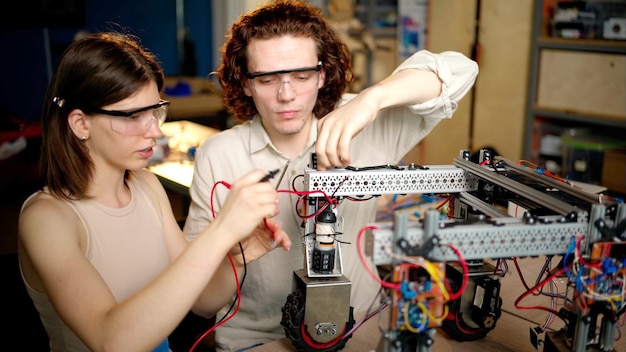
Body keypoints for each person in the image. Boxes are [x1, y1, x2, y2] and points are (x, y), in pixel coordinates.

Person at [183, 0, 479, 351]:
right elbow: (199, 303)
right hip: (259, 342)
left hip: (360, 331)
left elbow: (462, 70)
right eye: (267, 78)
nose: (286, 94)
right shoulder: (219, 155)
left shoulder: (363, 124)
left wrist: (372, 99)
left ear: (323, 75)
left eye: (302, 76)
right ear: (245, 83)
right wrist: (235, 252)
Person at [17, 31, 291, 352]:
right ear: (80, 123)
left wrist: (238, 257)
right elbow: (111, 341)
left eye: (155, 111)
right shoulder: (47, 218)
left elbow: (202, 302)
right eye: (134, 116)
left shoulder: (146, 186)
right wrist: (221, 230)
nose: (155, 131)